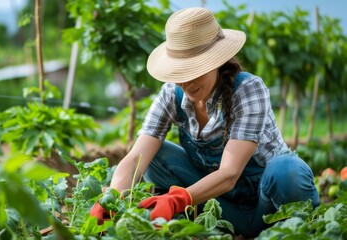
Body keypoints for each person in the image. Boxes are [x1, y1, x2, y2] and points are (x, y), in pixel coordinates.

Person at [90, 7, 320, 238]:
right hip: (219, 205)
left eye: (195, 70)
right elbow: (135, 158)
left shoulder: (249, 89)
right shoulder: (170, 94)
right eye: (179, 72)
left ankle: (290, 227)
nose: (186, 83)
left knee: (287, 171)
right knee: (153, 158)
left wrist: (179, 199)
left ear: (216, 62)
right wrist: (111, 197)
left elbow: (229, 174)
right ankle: (218, 223)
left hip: (267, 203)